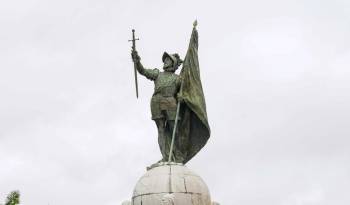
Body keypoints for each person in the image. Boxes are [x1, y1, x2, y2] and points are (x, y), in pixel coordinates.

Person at [131, 50, 184, 163]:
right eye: (165, 59)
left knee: (174, 129)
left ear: (173, 63)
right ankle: (165, 156)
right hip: (156, 101)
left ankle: (177, 156)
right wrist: (137, 61)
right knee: (161, 129)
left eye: (168, 60)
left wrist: (181, 96)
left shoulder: (178, 78)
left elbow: (186, 91)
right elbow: (143, 71)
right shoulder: (158, 74)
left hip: (170, 101)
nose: (165, 61)